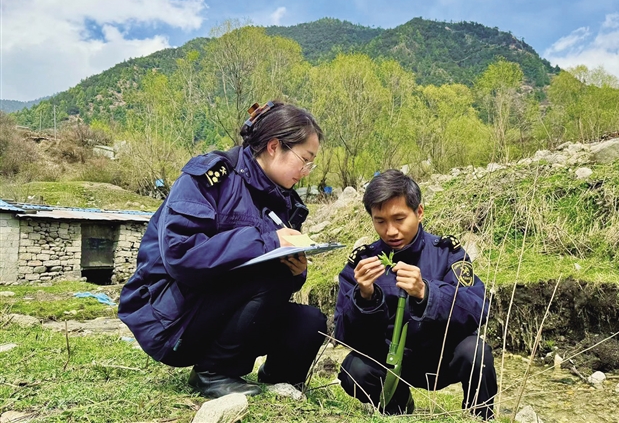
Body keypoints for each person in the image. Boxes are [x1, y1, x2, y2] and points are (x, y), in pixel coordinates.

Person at [118, 101, 328, 398]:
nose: (306, 171)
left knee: (310, 322)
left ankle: (278, 381)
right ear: (274, 147)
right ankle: (213, 372)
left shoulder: (285, 201)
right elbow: (181, 254)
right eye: (304, 160)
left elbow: (276, 284)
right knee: (271, 276)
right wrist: (268, 242)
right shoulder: (210, 178)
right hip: (172, 319)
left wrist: (297, 271)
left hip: (222, 311)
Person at [334, 169, 497, 419]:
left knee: (476, 352)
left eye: (399, 219)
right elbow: (343, 334)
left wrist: (426, 292)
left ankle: (480, 416)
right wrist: (365, 298)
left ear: (419, 212)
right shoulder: (362, 264)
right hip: (390, 364)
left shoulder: (448, 253)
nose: (390, 231)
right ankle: (397, 405)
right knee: (353, 369)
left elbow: (478, 309)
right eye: (380, 221)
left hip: (441, 359)